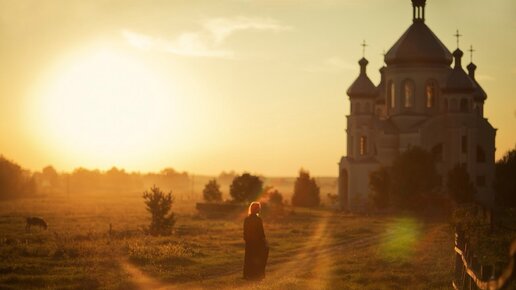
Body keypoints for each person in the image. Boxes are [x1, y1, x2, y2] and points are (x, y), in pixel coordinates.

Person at [243, 201, 269, 280]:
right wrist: (264, 241)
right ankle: (257, 275)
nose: (260, 209)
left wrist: (247, 239)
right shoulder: (258, 220)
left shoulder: (246, 219)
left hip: (249, 242)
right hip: (257, 242)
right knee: (258, 258)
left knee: (248, 258)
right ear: (256, 209)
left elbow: (245, 231)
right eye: (258, 208)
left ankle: (248, 275)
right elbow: (261, 232)